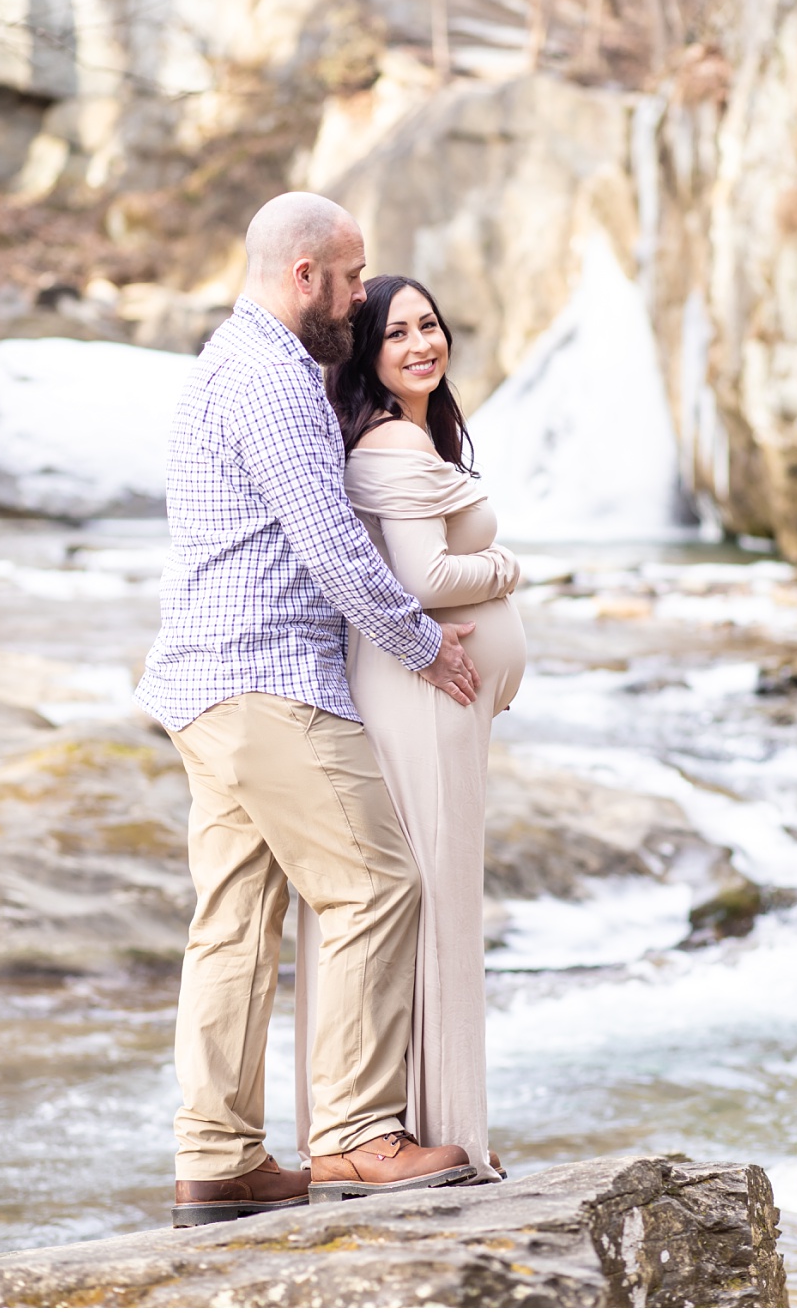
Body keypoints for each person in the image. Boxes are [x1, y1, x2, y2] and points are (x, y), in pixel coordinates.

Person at [137, 193, 482, 1227]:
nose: (361, 297)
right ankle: (356, 1132)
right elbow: (331, 545)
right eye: (351, 276)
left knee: (236, 923)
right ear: (305, 276)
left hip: (205, 682)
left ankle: (218, 1157)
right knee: (377, 884)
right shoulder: (277, 379)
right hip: (268, 678)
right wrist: (424, 646)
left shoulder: (222, 363)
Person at [294, 274, 525, 1184]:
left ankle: (414, 1125)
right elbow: (426, 577)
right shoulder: (391, 440)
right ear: (369, 356)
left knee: (430, 899)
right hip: (419, 695)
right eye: (398, 333)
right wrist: (512, 567)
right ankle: (435, 1136)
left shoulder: (408, 432)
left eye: (430, 324)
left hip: (430, 694)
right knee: (435, 901)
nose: (422, 343)